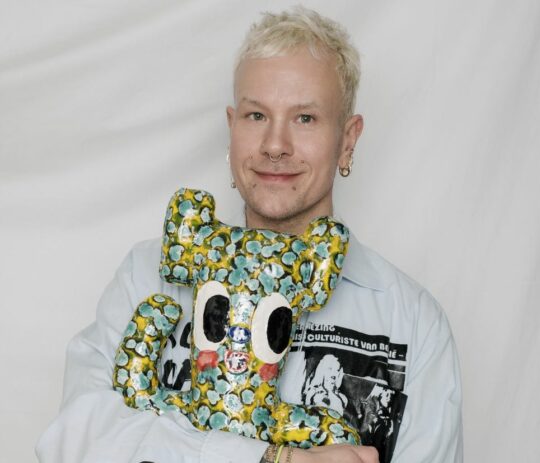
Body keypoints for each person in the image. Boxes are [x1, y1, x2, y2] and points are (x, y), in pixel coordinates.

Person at [36, 6, 462, 463]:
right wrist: (271, 459)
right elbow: (73, 441)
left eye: (305, 118)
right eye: (256, 115)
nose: (275, 145)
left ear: (347, 139)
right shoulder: (147, 277)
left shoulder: (411, 322)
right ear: (231, 127)